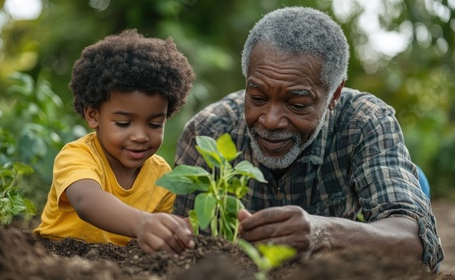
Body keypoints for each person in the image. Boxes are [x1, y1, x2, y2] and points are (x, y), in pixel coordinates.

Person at [173, 6, 444, 271]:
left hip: (357, 228)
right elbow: (179, 246)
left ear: (334, 95)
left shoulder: (364, 121)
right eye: (257, 98)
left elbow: (416, 242)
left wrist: (323, 232)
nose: (269, 120)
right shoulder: (209, 130)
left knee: (407, 195)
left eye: (297, 104)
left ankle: (412, 183)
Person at [34, 29, 196, 255]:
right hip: (56, 259)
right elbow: (86, 201)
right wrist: (141, 223)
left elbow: (167, 229)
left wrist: (215, 221)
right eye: (123, 123)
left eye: (154, 124)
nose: (140, 136)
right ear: (93, 115)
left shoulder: (161, 175)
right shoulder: (78, 155)